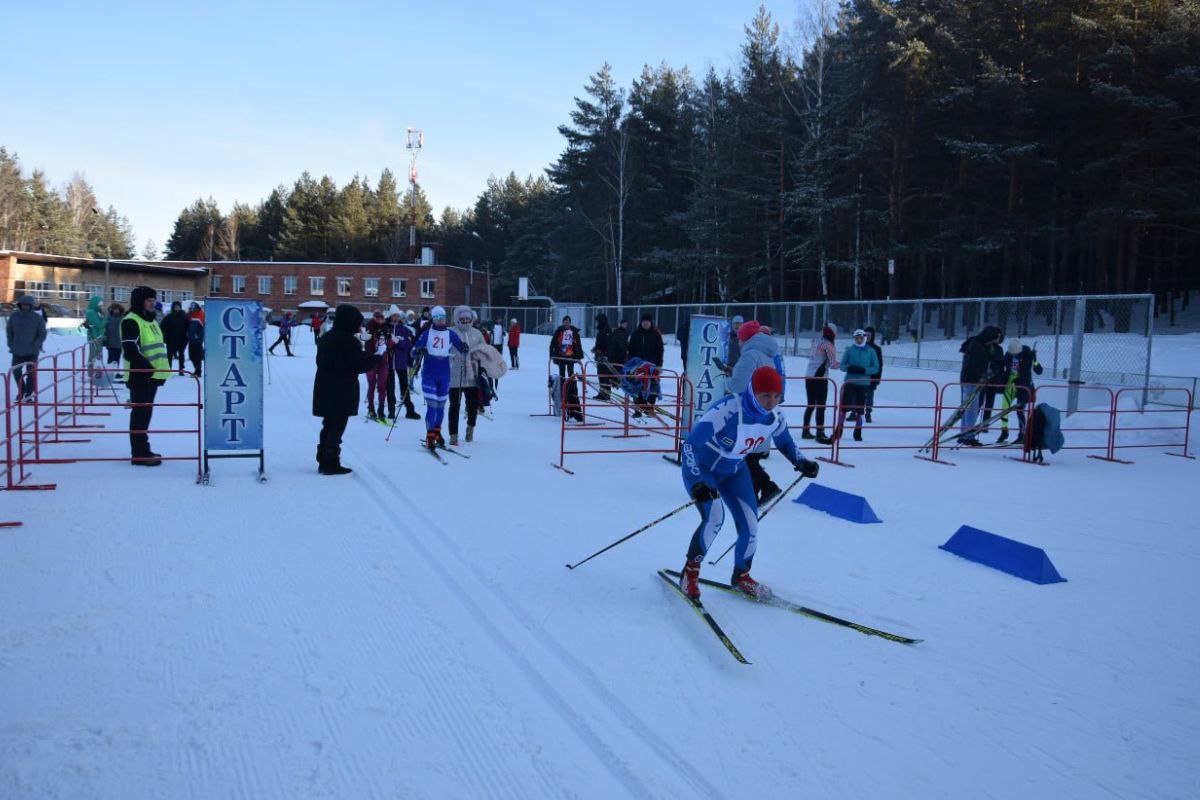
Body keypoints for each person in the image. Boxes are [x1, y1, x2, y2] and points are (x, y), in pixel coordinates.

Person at [677, 366, 819, 600]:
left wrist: (801, 462)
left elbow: (784, 441)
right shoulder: (728, 408)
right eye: (766, 395)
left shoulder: (775, 416)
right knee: (714, 518)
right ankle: (689, 574)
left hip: (734, 471)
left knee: (751, 525)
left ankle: (741, 576)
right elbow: (691, 444)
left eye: (776, 396)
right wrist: (696, 483)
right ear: (753, 391)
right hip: (704, 469)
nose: (771, 402)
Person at [312, 304, 385, 475]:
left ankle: (324, 459)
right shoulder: (349, 340)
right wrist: (377, 355)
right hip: (341, 391)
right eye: (357, 323)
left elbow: (321, 361)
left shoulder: (327, 337)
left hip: (325, 388)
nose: (359, 327)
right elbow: (359, 365)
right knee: (337, 426)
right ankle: (330, 462)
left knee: (328, 424)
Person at [728, 320, 788, 503]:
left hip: (750, 408)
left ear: (745, 339)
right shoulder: (767, 354)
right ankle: (757, 492)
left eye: (740, 339)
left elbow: (737, 385)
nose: (738, 343)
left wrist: (727, 382)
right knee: (748, 455)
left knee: (743, 454)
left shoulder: (751, 355)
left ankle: (766, 487)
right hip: (764, 406)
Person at [121, 286, 173, 466]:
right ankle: (139, 453)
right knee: (140, 416)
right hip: (139, 377)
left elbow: (157, 349)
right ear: (139, 301)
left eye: (154, 300)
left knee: (145, 415)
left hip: (151, 377)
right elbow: (130, 351)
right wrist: (148, 369)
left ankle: (143, 449)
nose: (153, 303)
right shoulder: (131, 321)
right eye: (149, 300)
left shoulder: (151, 321)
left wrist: (160, 372)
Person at [413, 306, 467, 450]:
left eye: (443, 318)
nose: (440, 321)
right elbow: (413, 350)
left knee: (441, 407)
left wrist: (464, 347)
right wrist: (419, 350)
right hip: (429, 374)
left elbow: (461, 347)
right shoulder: (427, 334)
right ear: (433, 319)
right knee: (432, 407)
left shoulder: (450, 333)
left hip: (444, 375)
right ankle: (429, 435)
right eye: (437, 318)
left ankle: (437, 432)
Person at [447, 306, 487, 445]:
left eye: (467, 319)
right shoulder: (451, 332)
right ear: (457, 319)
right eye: (462, 319)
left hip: (472, 376)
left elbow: (484, 350)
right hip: (455, 375)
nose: (465, 321)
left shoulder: (476, 333)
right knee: (454, 406)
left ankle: (470, 429)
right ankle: (453, 434)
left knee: (472, 405)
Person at [957, 325, 1003, 446]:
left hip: (968, 379)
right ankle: (969, 436)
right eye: (994, 338)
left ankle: (964, 433)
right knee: (972, 409)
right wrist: (984, 375)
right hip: (972, 381)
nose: (995, 341)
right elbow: (976, 366)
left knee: (967, 408)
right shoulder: (979, 347)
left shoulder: (976, 343)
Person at [836, 329, 879, 442]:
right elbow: (842, 366)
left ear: (864, 338)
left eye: (860, 338)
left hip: (863, 384)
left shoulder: (871, 351)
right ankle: (839, 430)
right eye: (856, 338)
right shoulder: (850, 350)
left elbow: (876, 368)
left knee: (860, 409)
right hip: (850, 382)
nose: (858, 340)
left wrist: (864, 370)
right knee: (844, 407)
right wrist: (849, 368)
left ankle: (858, 431)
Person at [996, 338, 1043, 443]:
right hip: (1011, 384)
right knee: (1004, 408)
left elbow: (1039, 370)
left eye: (1015, 354)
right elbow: (1003, 367)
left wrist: (1034, 359)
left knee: (1019, 410)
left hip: (1023, 386)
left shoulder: (1027, 354)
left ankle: (1022, 434)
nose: (1013, 356)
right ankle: (1004, 432)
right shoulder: (1008, 355)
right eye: (1011, 354)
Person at [802, 323, 839, 444]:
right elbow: (833, 364)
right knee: (821, 406)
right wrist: (846, 364)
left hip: (809, 375)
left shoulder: (817, 342)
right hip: (820, 378)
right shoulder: (828, 345)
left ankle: (805, 430)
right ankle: (820, 433)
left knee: (811, 404)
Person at [6, 295, 47, 402]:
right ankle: (22, 390)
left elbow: (42, 333)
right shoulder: (14, 316)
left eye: (27, 305)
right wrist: (11, 343)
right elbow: (9, 331)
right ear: (20, 305)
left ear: (31, 306)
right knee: (16, 371)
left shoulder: (37, 318)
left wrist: (37, 344)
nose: (25, 307)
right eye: (23, 305)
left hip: (32, 351)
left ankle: (28, 394)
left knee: (31, 373)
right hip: (17, 350)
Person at [384, 305, 421, 420]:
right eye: (394, 316)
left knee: (404, 386)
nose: (396, 318)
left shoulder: (404, 330)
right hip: (389, 362)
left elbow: (408, 344)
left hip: (401, 361)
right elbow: (383, 343)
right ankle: (391, 410)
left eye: (397, 316)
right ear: (390, 317)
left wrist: (398, 342)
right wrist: (390, 342)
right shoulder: (385, 328)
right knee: (390, 387)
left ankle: (410, 410)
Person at [362, 310, 392, 419]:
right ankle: (371, 408)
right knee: (372, 385)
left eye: (381, 318)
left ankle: (381, 409)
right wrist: (374, 334)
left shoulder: (386, 328)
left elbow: (390, 345)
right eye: (377, 318)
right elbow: (366, 340)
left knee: (382, 386)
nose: (379, 320)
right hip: (371, 360)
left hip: (383, 360)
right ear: (374, 318)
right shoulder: (369, 327)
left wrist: (389, 338)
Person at [863, 326, 884, 423]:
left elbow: (879, 364)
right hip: (860, 376)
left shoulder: (876, 349)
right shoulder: (859, 347)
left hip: (872, 376)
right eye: (865, 335)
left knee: (869, 395)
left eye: (869, 335)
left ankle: (868, 413)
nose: (867, 337)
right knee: (857, 394)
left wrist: (877, 378)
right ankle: (855, 412)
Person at [591, 313, 613, 400]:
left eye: (597, 321)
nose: (596, 323)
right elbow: (600, 344)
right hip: (600, 356)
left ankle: (606, 394)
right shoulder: (601, 330)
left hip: (604, 357)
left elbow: (608, 345)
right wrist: (595, 349)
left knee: (605, 375)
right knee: (601, 375)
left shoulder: (606, 330)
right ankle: (602, 392)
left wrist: (603, 354)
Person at [84, 296, 106, 370]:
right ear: (95, 304)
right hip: (94, 337)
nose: (101, 306)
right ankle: (91, 373)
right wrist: (105, 319)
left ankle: (96, 371)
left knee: (98, 355)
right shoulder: (91, 312)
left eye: (101, 305)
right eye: (99, 305)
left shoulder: (96, 312)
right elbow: (99, 325)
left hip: (98, 336)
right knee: (93, 356)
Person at [104, 303, 125, 378]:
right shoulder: (108, 318)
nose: (116, 311)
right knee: (111, 359)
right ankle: (109, 373)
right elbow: (105, 329)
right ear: (112, 310)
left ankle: (116, 373)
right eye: (114, 309)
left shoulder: (123, 318)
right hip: (110, 342)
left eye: (117, 309)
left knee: (117, 359)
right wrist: (105, 339)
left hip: (119, 343)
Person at [186, 303, 205, 378]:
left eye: (193, 308)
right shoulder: (191, 314)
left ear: (197, 308)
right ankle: (196, 370)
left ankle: (198, 372)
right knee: (191, 356)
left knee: (197, 357)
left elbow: (203, 327)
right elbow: (187, 321)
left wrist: (198, 336)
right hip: (191, 339)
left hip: (197, 340)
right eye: (191, 308)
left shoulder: (201, 314)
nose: (192, 309)